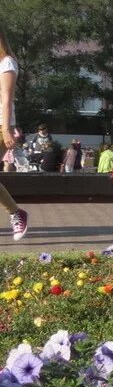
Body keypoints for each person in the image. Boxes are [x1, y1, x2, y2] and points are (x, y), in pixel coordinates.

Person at [0, 29, 30, 239]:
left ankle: (16, 213)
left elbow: (6, 97)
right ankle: (16, 213)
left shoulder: (7, 62)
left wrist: (5, 128)